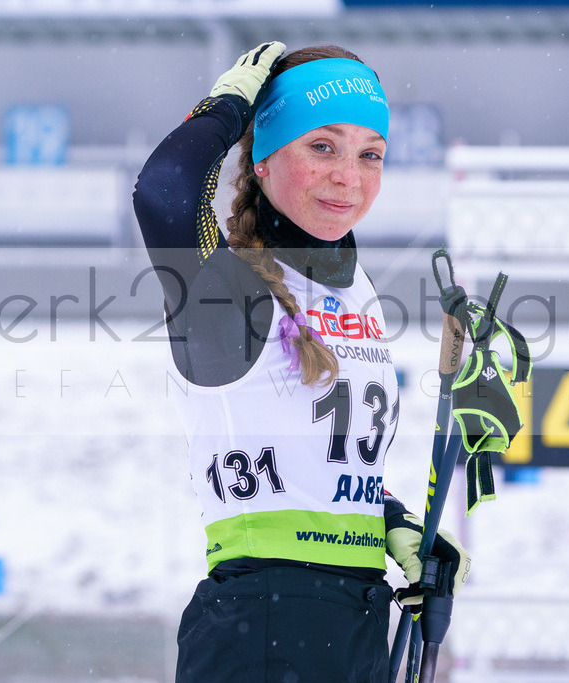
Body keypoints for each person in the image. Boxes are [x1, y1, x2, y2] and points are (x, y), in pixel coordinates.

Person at [132, 42, 469, 682]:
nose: (349, 176)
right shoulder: (228, 288)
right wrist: (227, 108)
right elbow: (164, 192)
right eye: (322, 147)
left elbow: (311, 462)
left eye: (370, 154)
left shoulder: (355, 290)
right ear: (262, 157)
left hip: (356, 621)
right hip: (262, 623)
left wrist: (389, 524)